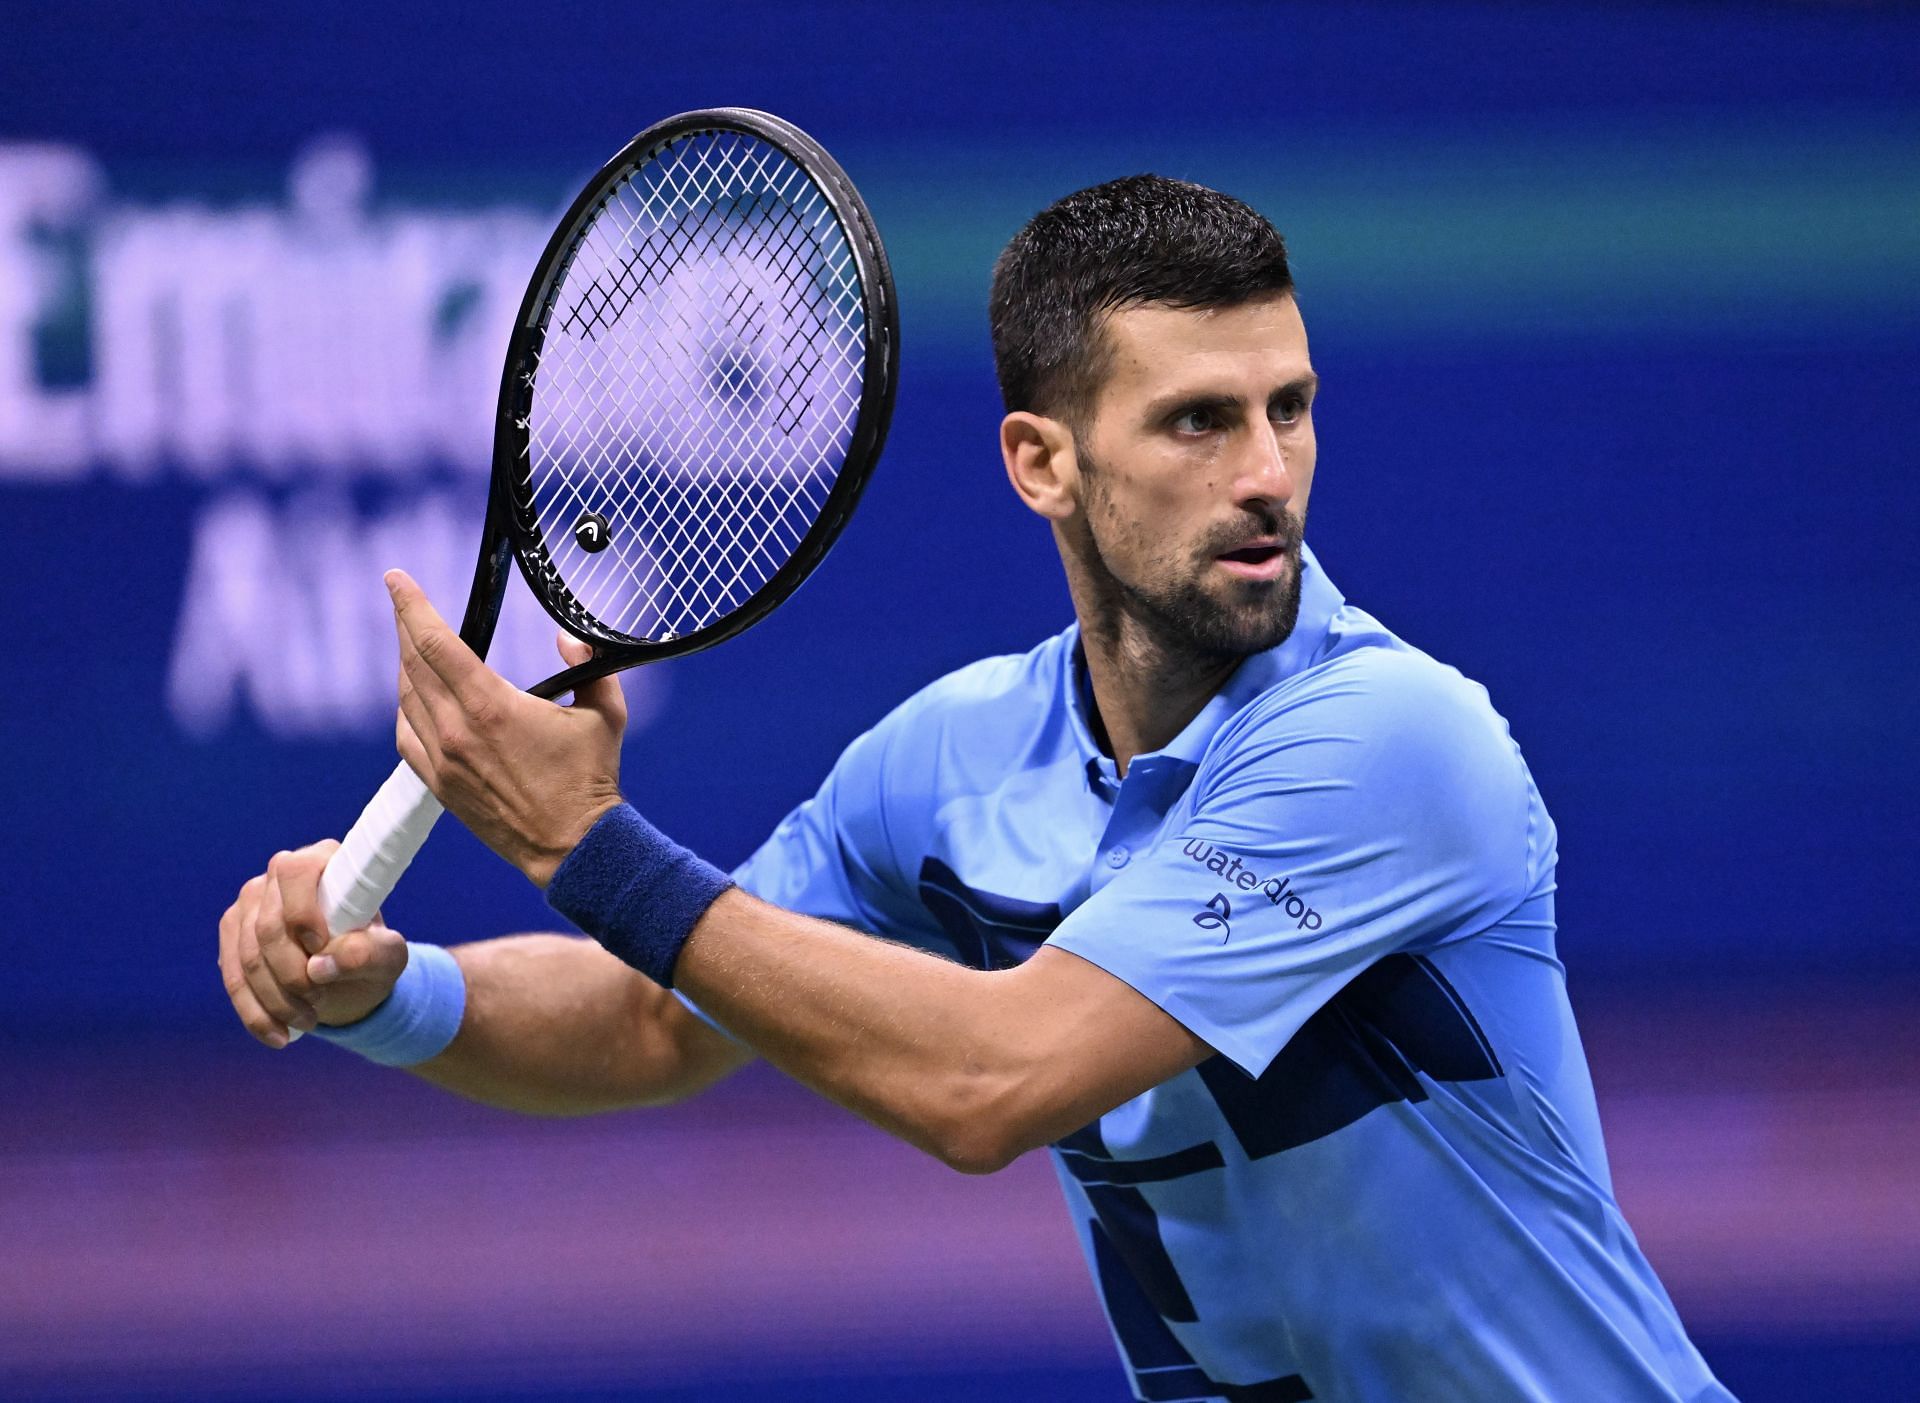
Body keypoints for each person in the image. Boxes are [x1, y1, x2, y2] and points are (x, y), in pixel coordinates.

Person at [219, 176, 1733, 1403]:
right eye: (1199, 420)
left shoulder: (1393, 739)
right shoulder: (951, 763)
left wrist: (584, 845)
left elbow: (988, 1083)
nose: (1267, 471)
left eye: (1291, 406)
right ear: (1042, 464)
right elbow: (655, 1018)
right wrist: (386, 992)